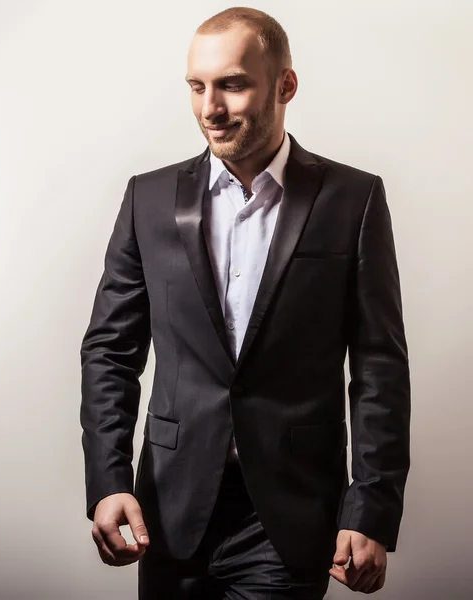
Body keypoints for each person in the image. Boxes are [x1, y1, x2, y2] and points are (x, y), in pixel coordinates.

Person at [80, 7, 410, 599]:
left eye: (232, 84)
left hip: (290, 516)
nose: (211, 108)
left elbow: (379, 365)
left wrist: (372, 506)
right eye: (197, 87)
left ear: (285, 85)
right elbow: (110, 349)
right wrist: (108, 481)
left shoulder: (353, 199)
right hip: (169, 510)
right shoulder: (148, 198)